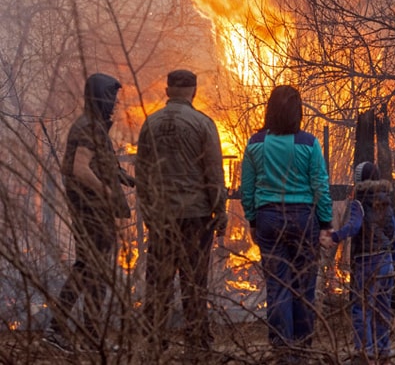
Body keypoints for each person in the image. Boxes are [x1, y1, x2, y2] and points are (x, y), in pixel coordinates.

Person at [134, 69, 227, 359]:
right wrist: (220, 209)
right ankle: (197, 345)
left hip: (162, 216)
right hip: (195, 216)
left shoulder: (150, 124)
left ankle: (154, 343)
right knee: (194, 283)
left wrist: (149, 211)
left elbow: (142, 172)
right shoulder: (203, 123)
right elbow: (213, 171)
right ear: (194, 91)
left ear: (167, 91)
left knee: (159, 283)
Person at [240, 85, 333, 362]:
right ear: (298, 112)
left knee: (277, 286)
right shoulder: (309, 143)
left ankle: (283, 352)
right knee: (303, 287)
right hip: (304, 220)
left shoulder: (255, 143)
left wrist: (253, 220)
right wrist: (325, 222)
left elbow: (247, 187)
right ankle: (303, 349)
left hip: (268, 219)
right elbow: (320, 186)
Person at [43, 73, 134, 353]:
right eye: (112, 98)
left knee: (92, 271)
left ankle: (90, 335)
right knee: (88, 269)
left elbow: (93, 163)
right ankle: (59, 329)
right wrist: (106, 192)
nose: (115, 105)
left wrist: (120, 176)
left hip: (93, 211)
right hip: (91, 211)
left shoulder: (93, 126)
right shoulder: (88, 127)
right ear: (100, 97)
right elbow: (79, 168)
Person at [321, 161, 395, 364]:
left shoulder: (359, 202)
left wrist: (334, 237)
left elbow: (354, 227)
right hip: (386, 261)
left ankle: (365, 351)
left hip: (367, 262)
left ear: (359, 181)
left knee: (361, 308)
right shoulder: (386, 202)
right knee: (383, 309)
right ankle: (383, 351)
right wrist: (393, 261)